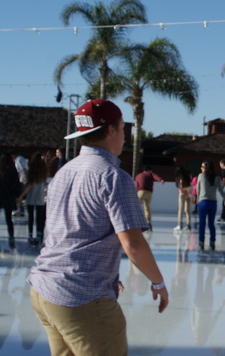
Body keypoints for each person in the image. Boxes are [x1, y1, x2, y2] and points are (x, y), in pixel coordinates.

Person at [27, 99, 168, 355]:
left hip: (44, 290)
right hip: (81, 298)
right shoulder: (114, 177)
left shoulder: (64, 172)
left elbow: (64, 231)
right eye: (123, 130)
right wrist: (158, 282)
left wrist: (108, 276)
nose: (125, 137)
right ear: (112, 130)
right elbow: (133, 244)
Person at [19, 152, 48, 246]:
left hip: (31, 196)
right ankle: (40, 234)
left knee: (31, 217)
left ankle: (30, 234)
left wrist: (21, 195)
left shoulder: (30, 171)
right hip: (40, 197)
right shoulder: (44, 171)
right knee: (40, 217)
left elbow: (28, 184)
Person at [196, 160, 220, 251]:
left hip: (203, 202)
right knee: (211, 224)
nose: (201, 168)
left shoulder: (201, 176)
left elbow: (198, 188)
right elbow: (220, 190)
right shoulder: (216, 177)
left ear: (205, 168)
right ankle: (212, 242)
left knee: (202, 223)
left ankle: (201, 243)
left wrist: (197, 199)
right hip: (213, 203)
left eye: (202, 167)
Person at [0, 153, 22, 249]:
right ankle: (11, 236)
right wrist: (17, 195)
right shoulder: (13, 170)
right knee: (9, 219)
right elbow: (16, 184)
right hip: (8, 197)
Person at [134, 165, 164, 232]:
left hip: (140, 192)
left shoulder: (138, 175)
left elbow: (137, 185)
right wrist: (161, 180)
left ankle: (136, 224)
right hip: (149, 193)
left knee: (137, 208)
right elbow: (156, 176)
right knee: (147, 208)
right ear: (149, 170)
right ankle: (149, 223)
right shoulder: (150, 174)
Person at [174, 166, 193, 232]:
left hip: (182, 194)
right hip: (188, 193)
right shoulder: (188, 176)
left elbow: (181, 186)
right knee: (187, 210)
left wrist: (183, 189)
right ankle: (188, 225)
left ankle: (179, 224)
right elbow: (190, 186)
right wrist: (190, 195)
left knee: (181, 209)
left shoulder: (181, 177)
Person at [12, 153, 28, 217]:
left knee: (19, 195)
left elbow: (24, 168)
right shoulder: (20, 159)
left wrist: (24, 177)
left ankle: (21, 210)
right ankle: (20, 210)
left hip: (21, 180)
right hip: (20, 179)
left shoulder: (19, 159)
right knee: (20, 195)